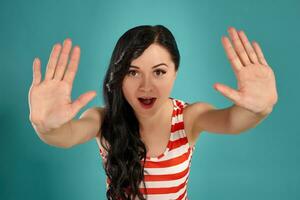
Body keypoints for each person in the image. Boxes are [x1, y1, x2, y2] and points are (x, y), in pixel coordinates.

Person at [28, 25, 278, 200]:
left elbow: (233, 121)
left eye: (159, 72)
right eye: (132, 72)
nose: (146, 86)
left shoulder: (190, 117)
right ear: (119, 75)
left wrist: (259, 109)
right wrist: (45, 126)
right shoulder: (103, 120)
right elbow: (65, 135)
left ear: (175, 72)